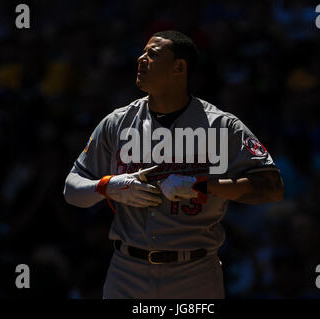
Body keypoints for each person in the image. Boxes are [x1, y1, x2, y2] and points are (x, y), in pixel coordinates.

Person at [63, 30, 284, 299]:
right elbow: (72, 189)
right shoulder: (117, 122)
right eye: (143, 52)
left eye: (152, 55)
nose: (140, 59)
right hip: (127, 270)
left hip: (195, 272)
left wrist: (202, 186)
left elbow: (272, 187)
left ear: (179, 67)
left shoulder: (221, 126)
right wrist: (108, 186)